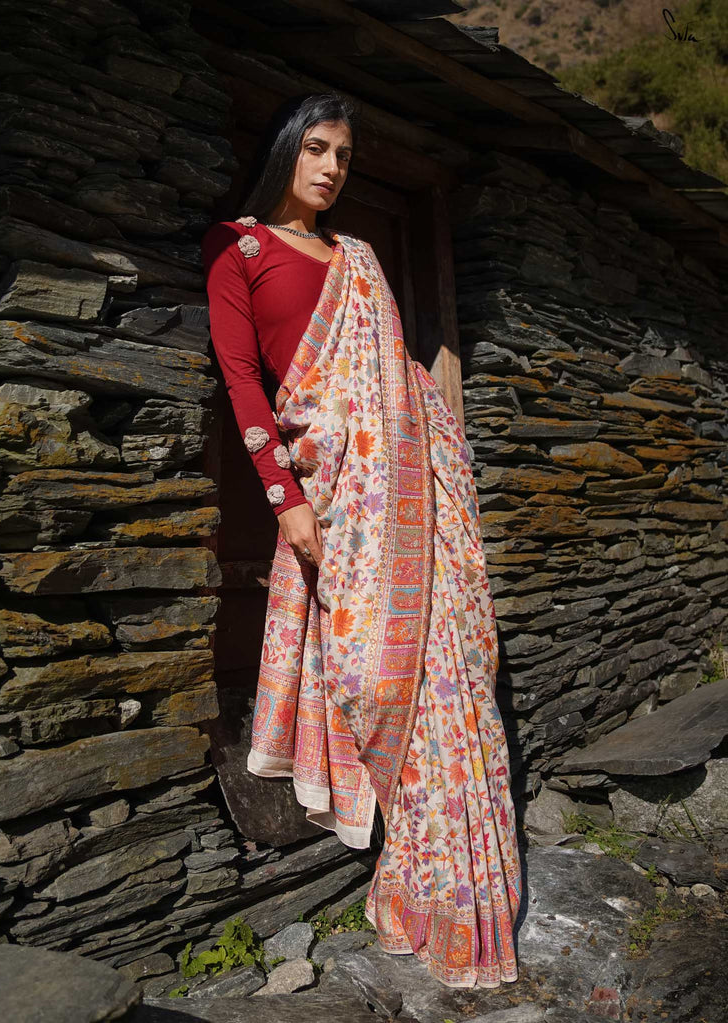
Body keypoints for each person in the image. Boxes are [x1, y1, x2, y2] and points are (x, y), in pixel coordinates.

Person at [201, 91, 522, 990]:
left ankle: (435, 883)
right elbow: (242, 383)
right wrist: (284, 499)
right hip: (333, 491)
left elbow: (399, 381)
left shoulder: (361, 258)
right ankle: (410, 850)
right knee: (372, 679)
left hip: (411, 493)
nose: (332, 167)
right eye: (316, 148)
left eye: (343, 154)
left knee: (445, 681)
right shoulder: (240, 248)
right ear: (284, 151)